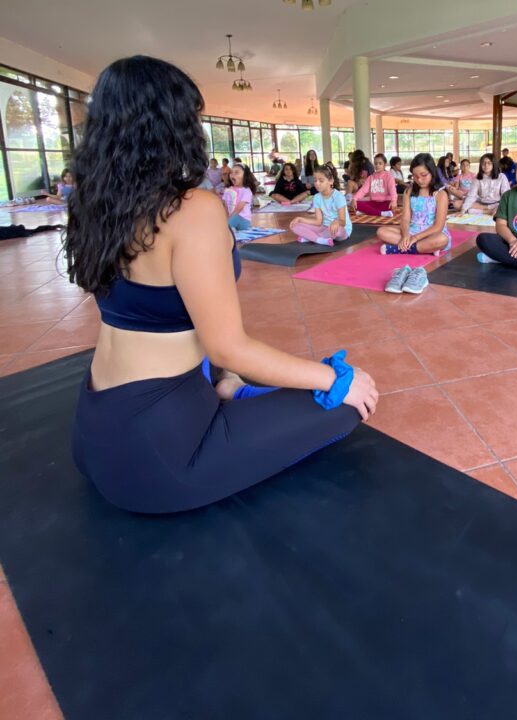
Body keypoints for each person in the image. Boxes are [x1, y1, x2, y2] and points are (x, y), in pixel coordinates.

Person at [65, 56, 377, 515]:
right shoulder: (191, 209)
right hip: (159, 456)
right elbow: (228, 346)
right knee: (353, 400)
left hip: (95, 430)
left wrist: (223, 377)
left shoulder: (95, 202)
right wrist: (337, 379)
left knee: (230, 374)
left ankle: (226, 391)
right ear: (173, 124)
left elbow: (171, 323)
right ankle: (231, 392)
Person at [377, 153, 450, 256]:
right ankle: (423, 248)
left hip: (431, 233)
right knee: (381, 231)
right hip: (413, 229)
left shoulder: (441, 194)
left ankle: (399, 249)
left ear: (432, 172)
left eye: (423, 175)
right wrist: (406, 236)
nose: (419, 180)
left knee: (442, 239)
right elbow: (405, 219)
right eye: (415, 176)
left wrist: (415, 238)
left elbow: (438, 226)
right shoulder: (409, 191)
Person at [289, 163, 352, 246]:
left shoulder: (338, 196)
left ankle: (310, 238)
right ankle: (320, 240)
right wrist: (300, 219)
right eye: (315, 180)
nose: (317, 183)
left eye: (321, 180)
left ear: (331, 181)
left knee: (335, 230)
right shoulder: (316, 197)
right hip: (323, 228)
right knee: (295, 226)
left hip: (341, 229)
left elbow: (343, 222)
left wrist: (336, 222)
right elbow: (318, 221)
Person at [222, 163, 258, 231]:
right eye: (231, 172)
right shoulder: (228, 190)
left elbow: (239, 209)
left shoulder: (246, 191)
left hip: (243, 219)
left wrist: (228, 221)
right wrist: (226, 217)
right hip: (232, 217)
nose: (233, 174)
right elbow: (225, 205)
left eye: (237, 172)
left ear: (245, 176)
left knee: (226, 226)